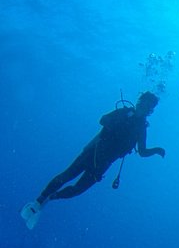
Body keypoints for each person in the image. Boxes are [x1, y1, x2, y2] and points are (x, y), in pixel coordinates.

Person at [20, 91, 166, 230]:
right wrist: (117, 125)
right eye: (142, 103)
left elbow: (142, 152)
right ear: (138, 102)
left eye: (147, 106)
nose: (142, 107)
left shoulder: (141, 129)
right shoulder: (123, 113)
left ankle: (49, 199)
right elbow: (103, 119)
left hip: (102, 165)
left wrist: (156, 150)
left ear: (150, 111)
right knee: (66, 176)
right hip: (91, 153)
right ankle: (38, 202)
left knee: (77, 190)